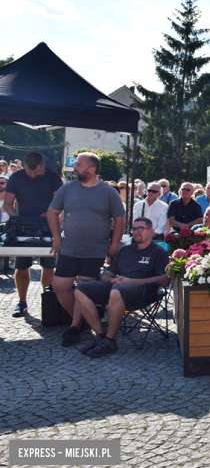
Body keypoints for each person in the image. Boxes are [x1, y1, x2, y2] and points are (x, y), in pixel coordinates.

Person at [48, 152, 125, 347]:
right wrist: (57, 238)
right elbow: (52, 212)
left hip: (95, 250)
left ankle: (74, 327)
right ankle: (85, 319)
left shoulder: (108, 192)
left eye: (79, 165)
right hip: (69, 248)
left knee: (83, 289)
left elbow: (120, 219)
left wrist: (114, 245)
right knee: (59, 286)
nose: (75, 168)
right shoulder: (67, 189)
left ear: (92, 169)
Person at [71, 217, 169, 357]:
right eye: (134, 229)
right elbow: (106, 274)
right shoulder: (125, 250)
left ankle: (110, 341)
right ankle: (101, 336)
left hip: (143, 290)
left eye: (140, 228)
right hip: (118, 288)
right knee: (81, 289)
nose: (136, 232)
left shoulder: (158, 252)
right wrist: (113, 280)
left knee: (117, 292)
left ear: (151, 231)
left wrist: (132, 281)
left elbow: (165, 280)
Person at [3, 152, 64, 317]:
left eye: (36, 172)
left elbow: (57, 204)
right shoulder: (16, 178)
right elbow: (7, 203)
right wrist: (18, 219)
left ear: (43, 166)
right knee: (21, 266)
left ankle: (47, 301)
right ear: (24, 166)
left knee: (48, 266)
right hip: (22, 228)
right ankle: (22, 302)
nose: (32, 175)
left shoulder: (53, 178)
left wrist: (40, 219)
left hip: (48, 227)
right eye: (29, 172)